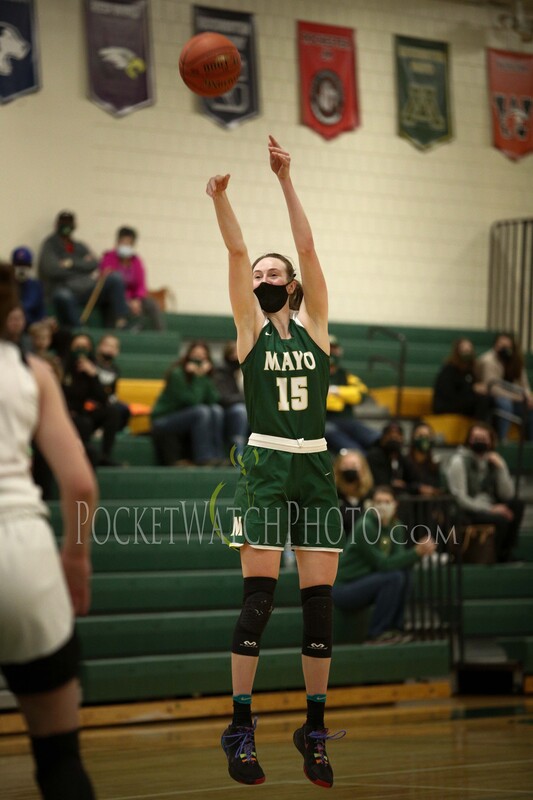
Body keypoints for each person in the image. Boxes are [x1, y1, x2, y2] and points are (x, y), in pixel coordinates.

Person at [207, 136, 345, 789]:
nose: (260, 279)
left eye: (271, 274)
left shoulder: (316, 326)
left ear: (289, 284)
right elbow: (235, 251)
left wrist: (286, 179)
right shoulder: (246, 332)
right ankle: (240, 726)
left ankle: (313, 730)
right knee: (257, 603)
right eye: (256, 275)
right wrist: (221, 197)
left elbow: (310, 249)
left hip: (314, 470)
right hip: (265, 466)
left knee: (318, 611)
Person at [0, 261, 97, 799]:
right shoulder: (32, 371)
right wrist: (76, 559)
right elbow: (80, 486)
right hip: (24, 556)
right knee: (60, 762)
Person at [332, 485, 436, 645]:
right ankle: (377, 632)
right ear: (371, 504)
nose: (382, 505)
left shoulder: (396, 526)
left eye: (387, 501)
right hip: (345, 588)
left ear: (395, 504)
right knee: (393, 577)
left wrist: (416, 553)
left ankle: (395, 629)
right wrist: (416, 552)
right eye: (378, 501)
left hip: (369, 581)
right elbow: (383, 564)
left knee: (405, 575)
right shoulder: (365, 526)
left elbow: (399, 559)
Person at [446, 422, 524, 562]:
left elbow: (508, 494)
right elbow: (461, 499)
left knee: (517, 505)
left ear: (491, 441)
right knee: (500, 519)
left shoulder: (494, 461)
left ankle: (506, 552)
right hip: (468, 510)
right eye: (476, 438)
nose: (480, 442)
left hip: (489, 506)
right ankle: (497, 556)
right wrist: (491, 509)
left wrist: (501, 468)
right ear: (469, 440)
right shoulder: (459, 462)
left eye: (484, 438)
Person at [38, 210, 128, 328]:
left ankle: (121, 322)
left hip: (87, 289)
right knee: (63, 296)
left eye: (69, 223)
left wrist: (69, 263)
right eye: (63, 222)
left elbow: (94, 263)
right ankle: (80, 330)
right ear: (57, 224)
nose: (66, 226)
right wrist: (81, 265)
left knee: (115, 278)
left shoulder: (79, 246)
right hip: (65, 289)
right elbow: (50, 269)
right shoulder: (50, 245)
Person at [150, 340, 224, 466]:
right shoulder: (177, 374)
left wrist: (205, 377)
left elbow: (214, 399)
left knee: (216, 410)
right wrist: (200, 377)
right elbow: (192, 401)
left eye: (202, 355)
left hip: (185, 417)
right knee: (202, 411)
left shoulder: (203, 376)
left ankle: (217, 455)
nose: (199, 358)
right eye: (195, 354)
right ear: (188, 355)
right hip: (163, 419)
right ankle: (204, 458)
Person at [62, 333, 123, 467]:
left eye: (85, 346)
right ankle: (83, 458)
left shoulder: (92, 368)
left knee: (113, 412)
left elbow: (103, 399)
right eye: (77, 346)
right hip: (66, 414)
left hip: (84, 413)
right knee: (84, 423)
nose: (81, 350)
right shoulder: (62, 366)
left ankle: (105, 456)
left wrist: (94, 375)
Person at [99, 226, 165, 331]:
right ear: (117, 242)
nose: (125, 246)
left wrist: (137, 300)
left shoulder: (136, 261)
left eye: (128, 243)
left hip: (134, 299)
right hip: (115, 298)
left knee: (151, 304)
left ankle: (160, 334)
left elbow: (141, 285)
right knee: (114, 303)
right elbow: (107, 281)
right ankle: (121, 326)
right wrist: (128, 301)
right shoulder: (108, 258)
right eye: (122, 242)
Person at [325, 335, 380, 453]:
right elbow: (325, 402)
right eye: (328, 347)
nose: (330, 351)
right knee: (355, 450)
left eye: (333, 348)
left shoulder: (345, 375)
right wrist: (344, 397)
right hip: (324, 422)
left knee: (377, 439)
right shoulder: (313, 373)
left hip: (347, 420)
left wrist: (336, 391)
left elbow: (362, 394)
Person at [476, 332, 533, 441]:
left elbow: (524, 384)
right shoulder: (488, 360)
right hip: (493, 398)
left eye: (507, 346)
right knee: (504, 404)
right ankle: (503, 440)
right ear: (495, 345)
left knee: (530, 408)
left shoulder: (516, 360)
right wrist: (520, 398)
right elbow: (494, 389)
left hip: (515, 398)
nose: (504, 348)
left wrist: (528, 397)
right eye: (501, 345)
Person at [432, 338, 491, 420]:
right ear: (457, 351)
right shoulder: (449, 369)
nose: (467, 351)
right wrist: (472, 389)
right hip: (447, 405)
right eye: (464, 349)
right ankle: (480, 427)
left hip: (461, 403)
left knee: (488, 400)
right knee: (481, 401)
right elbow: (449, 394)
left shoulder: (470, 370)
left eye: (469, 349)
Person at [212, 340, 249, 459]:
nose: (237, 356)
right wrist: (246, 400)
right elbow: (223, 397)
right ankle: (238, 453)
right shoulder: (221, 371)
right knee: (240, 411)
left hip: (245, 406)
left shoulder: (248, 370)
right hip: (226, 409)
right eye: (234, 353)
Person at [366, 421, 417, 492]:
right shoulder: (374, 456)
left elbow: (412, 480)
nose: (393, 439)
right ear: (383, 439)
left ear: (402, 439)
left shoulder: (403, 458)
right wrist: (391, 483)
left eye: (397, 437)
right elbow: (375, 480)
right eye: (390, 436)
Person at [95, 335, 130, 432]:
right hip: (94, 401)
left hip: (108, 401)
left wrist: (112, 399)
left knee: (124, 409)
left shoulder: (115, 370)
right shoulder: (91, 364)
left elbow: (113, 391)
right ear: (99, 347)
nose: (110, 349)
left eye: (113, 347)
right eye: (107, 345)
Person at [333, 449, 374, 535]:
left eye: (354, 466)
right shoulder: (333, 496)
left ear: (363, 469)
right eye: (345, 466)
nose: (349, 469)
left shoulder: (371, 496)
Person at [11, 246, 47, 328]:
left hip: (32, 329)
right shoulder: (6, 286)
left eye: (25, 265)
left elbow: (41, 312)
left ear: (31, 266)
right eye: (18, 265)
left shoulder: (36, 286)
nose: (22, 269)